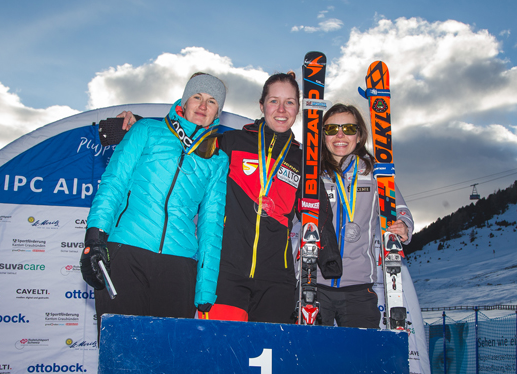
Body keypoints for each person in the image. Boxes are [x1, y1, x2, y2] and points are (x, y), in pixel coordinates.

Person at [116, 72, 342, 324]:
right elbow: (186, 141)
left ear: (298, 108)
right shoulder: (232, 142)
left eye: (289, 102)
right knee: (220, 354)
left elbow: (318, 210)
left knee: (268, 356)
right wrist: (137, 122)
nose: (281, 109)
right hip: (226, 274)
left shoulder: (303, 160)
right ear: (261, 105)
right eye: (273, 101)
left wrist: (329, 257)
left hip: (276, 278)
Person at [80, 73, 229, 328]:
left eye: (212, 101)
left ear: (217, 114)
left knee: (165, 363)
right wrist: (94, 240)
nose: (203, 106)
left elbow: (211, 225)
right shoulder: (147, 130)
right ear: (184, 101)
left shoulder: (217, 160)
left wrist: (205, 287)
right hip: (126, 254)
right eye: (197, 97)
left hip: (178, 266)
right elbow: (113, 184)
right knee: (120, 355)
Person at [317, 103, 413, 328]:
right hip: (315, 284)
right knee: (316, 360)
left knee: (360, 360)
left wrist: (404, 227)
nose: (340, 135)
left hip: (359, 286)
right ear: (322, 136)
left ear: (359, 135)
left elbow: (401, 210)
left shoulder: (374, 173)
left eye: (349, 129)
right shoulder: (313, 174)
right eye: (331, 129)